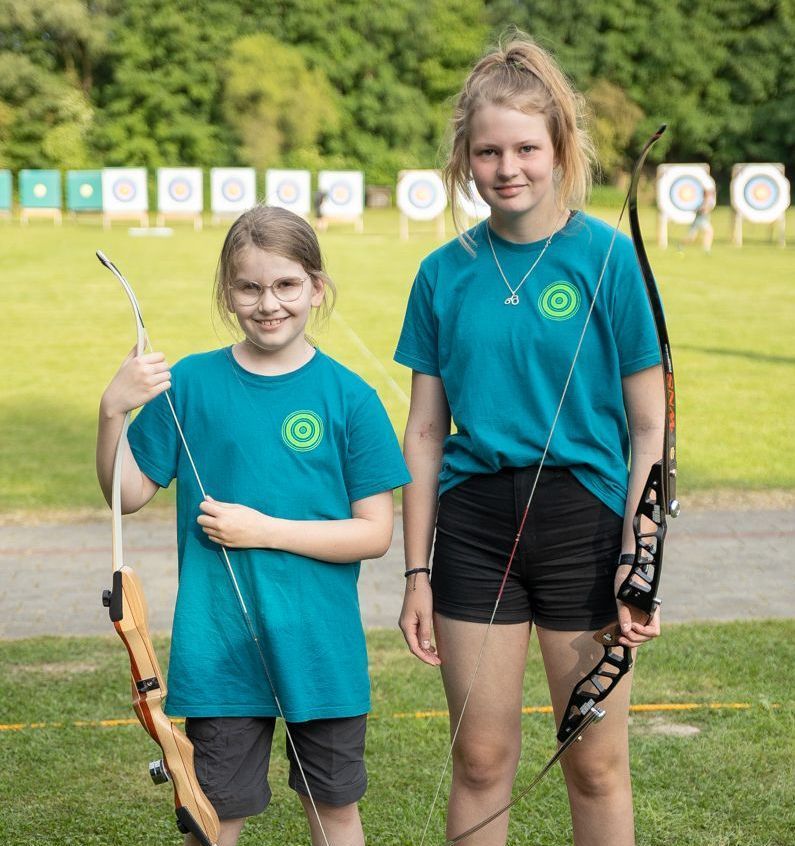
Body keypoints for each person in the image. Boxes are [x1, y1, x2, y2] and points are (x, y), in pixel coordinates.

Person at [394, 33, 664, 846]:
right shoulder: (442, 272)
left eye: (524, 149)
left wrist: (638, 556)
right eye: (487, 152)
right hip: (473, 529)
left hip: (586, 526)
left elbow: (649, 425)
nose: (506, 167)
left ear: (558, 150)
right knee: (479, 759)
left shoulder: (608, 258)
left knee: (593, 761)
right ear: (464, 159)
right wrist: (415, 572)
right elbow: (424, 431)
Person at [96, 205, 410, 846]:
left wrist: (265, 530)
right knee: (214, 817)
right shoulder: (191, 382)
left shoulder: (351, 397)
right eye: (249, 287)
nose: (269, 304)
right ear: (227, 292)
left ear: (316, 287)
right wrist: (112, 411)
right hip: (220, 649)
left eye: (286, 284)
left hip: (320, 649)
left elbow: (374, 533)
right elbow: (124, 495)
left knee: (335, 809)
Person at [680, 186, 715, 253]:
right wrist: (703, 209)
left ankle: (706, 249)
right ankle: (706, 249)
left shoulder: (709, 201)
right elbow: (698, 210)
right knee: (708, 232)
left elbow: (709, 207)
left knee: (692, 237)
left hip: (703, 221)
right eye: (708, 194)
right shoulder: (701, 202)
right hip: (699, 221)